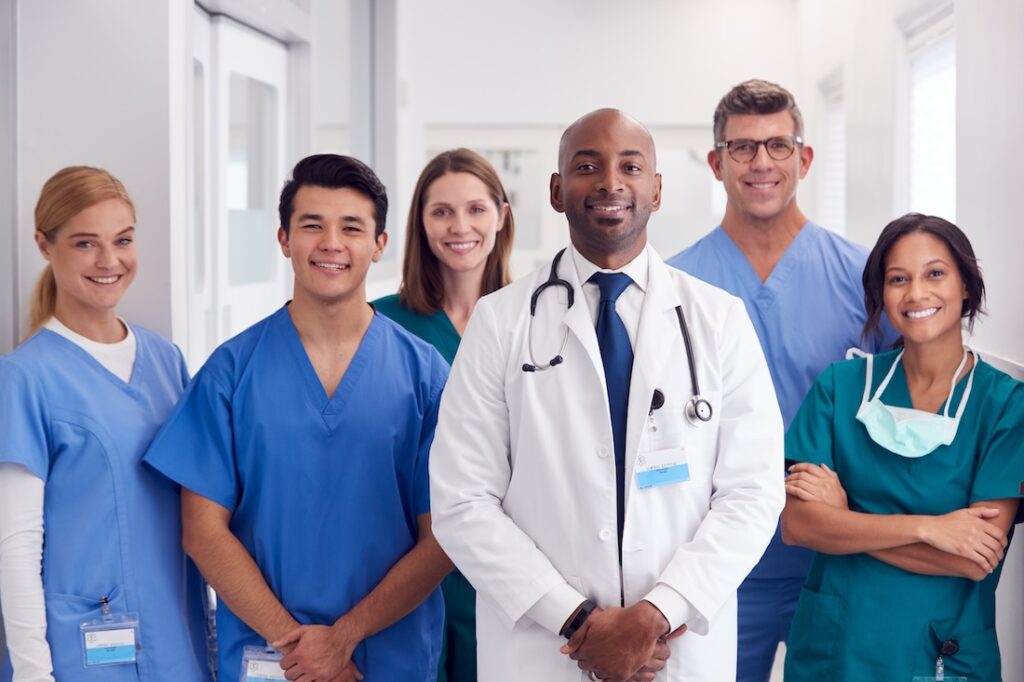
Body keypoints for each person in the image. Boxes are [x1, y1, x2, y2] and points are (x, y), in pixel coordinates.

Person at [430, 109, 784, 682]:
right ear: (556, 189)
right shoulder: (500, 322)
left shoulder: (718, 320)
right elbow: (462, 501)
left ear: (657, 189)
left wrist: (654, 617)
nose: (610, 182)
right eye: (586, 166)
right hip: (545, 653)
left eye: (631, 166)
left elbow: (753, 493)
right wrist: (575, 621)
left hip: (674, 652)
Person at [143, 154, 451, 681]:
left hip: (389, 656)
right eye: (312, 225)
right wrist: (301, 648)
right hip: (272, 657)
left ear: (379, 245)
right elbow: (202, 532)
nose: (331, 243)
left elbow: (444, 536)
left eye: (351, 228)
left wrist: (344, 638)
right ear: (284, 239)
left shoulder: (425, 375)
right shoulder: (231, 371)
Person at [667, 78, 897, 681]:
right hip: (715, 564)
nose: (761, 162)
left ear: (805, 157)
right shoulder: (674, 288)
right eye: (742, 148)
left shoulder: (865, 277)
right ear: (717, 163)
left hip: (837, 560)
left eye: (777, 145)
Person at [781, 214, 1024, 680]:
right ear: (881, 294)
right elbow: (798, 525)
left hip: (941, 656)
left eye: (935, 273)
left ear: (967, 285)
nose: (916, 294)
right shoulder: (839, 388)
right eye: (898, 279)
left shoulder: (1004, 406)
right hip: (838, 651)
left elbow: (973, 558)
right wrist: (929, 529)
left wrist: (846, 519)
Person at [0, 166, 211, 681]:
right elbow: (15, 543)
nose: (109, 260)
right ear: (45, 246)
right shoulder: (24, 376)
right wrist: (32, 674)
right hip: (81, 653)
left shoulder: (165, 359)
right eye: (85, 243)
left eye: (123, 240)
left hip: (175, 639)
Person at [373, 147, 514, 681]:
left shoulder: (536, 317)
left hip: (504, 560)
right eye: (442, 211)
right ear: (421, 223)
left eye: (476, 210)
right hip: (407, 557)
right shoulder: (379, 324)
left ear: (501, 216)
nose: (461, 227)